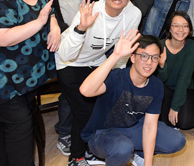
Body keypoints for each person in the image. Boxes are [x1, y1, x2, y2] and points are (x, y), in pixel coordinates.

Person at [56, 0, 142, 166]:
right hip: (69, 62)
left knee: (110, 104)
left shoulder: (134, 14)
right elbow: (66, 52)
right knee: (86, 110)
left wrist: (119, 77)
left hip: (98, 62)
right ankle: (76, 157)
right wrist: (81, 28)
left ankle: (95, 148)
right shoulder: (90, 11)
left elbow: (124, 49)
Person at [79, 32, 186, 166]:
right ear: (133, 58)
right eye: (144, 56)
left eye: (154, 57)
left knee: (177, 141)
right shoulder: (117, 77)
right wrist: (115, 56)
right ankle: (100, 155)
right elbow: (85, 90)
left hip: (133, 128)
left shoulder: (156, 86)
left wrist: (148, 163)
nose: (149, 62)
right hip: (103, 134)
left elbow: (149, 126)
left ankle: (138, 155)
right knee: (123, 148)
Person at [0, 0, 60, 166]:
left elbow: (50, 13)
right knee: (21, 127)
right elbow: (2, 38)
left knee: (10, 130)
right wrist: (39, 23)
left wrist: (55, 26)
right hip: (3, 80)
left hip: (29, 76)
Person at [156, 12, 194, 130]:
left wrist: (175, 107)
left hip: (184, 88)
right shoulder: (159, 46)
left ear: (189, 29)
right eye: (176, 25)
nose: (181, 30)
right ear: (169, 28)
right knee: (164, 124)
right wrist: (161, 65)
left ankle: (174, 107)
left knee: (186, 123)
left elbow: (184, 79)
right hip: (164, 89)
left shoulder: (193, 47)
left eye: (185, 26)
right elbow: (160, 80)